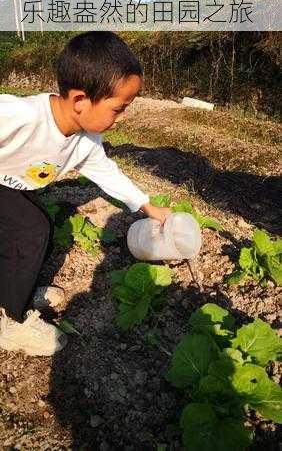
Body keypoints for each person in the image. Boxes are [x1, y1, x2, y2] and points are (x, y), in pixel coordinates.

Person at [0, 31, 171, 357]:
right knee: (31, 230)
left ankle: (13, 289)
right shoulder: (20, 116)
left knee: (34, 231)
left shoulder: (85, 141)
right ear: (80, 100)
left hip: (9, 185)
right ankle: (11, 319)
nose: (120, 120)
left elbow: (108, 174)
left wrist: (148, 207)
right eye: (119, 109)